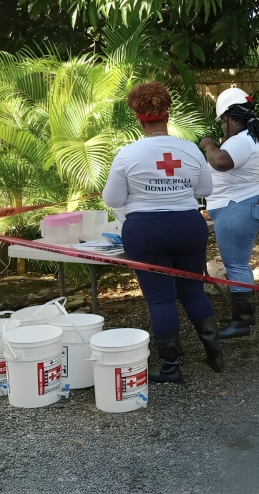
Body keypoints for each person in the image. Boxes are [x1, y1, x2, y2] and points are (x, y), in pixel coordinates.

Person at [102, 82, 223, 383]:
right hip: (188, 226)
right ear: (168, 114)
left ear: (138, 118)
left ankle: (171, 367)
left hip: (146, 231)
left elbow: (113, 200)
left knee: (161, 299)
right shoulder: (191, 149)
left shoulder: (128, 154)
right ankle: (215, 354)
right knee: (193, 291)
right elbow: (206, 190)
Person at [200, 87, 259, 340]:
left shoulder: (241, 140)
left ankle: (241, 323)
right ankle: (246, 315)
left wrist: (209, 144)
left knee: (236, 265)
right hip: (247, 204)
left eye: (223, 120)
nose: (222, 126)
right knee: (239, 263)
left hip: (238, 207)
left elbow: (221, 162)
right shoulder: (247, 138)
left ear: (234, 118)